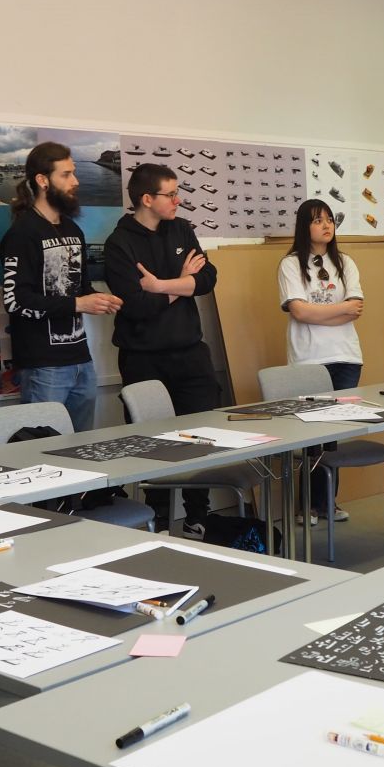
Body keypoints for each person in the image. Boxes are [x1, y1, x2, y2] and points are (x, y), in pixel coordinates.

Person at [104, 163, 220, 534]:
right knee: (153, 445)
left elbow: (207, 279)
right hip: (144, 359)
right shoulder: (119, 243)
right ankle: (159, 520)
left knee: (200, 440)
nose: (177, 200)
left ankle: (198, 517)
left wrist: (159, 286)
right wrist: (181, 283)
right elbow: (136, 305)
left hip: (190, 354)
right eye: (170, 194)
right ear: (146, 199)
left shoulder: (181, 228)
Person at [0, 141, 121, 431]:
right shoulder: (22, 234)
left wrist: (99, 300)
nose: (75, 181)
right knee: (44, 447)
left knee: (82, 445)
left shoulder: (73, 229)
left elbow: (81, 288)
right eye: (66, 174)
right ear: (43, 181)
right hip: (43, 366)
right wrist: (78, 304)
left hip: (81, 360)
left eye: (74, 172)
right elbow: (15, 301)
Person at [279, 198, 365, 521]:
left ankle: (328, 502)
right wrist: (339, 311)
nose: (326, 225)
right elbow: (299, 311)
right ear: (305, 227)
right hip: (309, 359)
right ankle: (307, 506)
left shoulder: (346, 262)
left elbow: (356, 308)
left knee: (333, 435)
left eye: (329, 219)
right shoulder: (290, 264)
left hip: (346, 357)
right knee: (311, 436)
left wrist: (319, 313)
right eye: (318, 220)